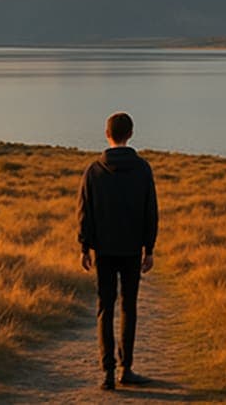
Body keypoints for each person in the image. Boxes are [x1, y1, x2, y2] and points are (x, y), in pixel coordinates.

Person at [77, 112, 159, 391]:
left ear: (106, 133)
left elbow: (84, 212)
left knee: (104, 307)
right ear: (131, 133)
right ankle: (127, 369)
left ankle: (108, 373)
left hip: (104, 250)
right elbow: (151, 211)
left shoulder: (94, 170)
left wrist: (84, 246)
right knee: (129, 307)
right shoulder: (143, 168)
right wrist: (150, 248)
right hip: (131, 249)